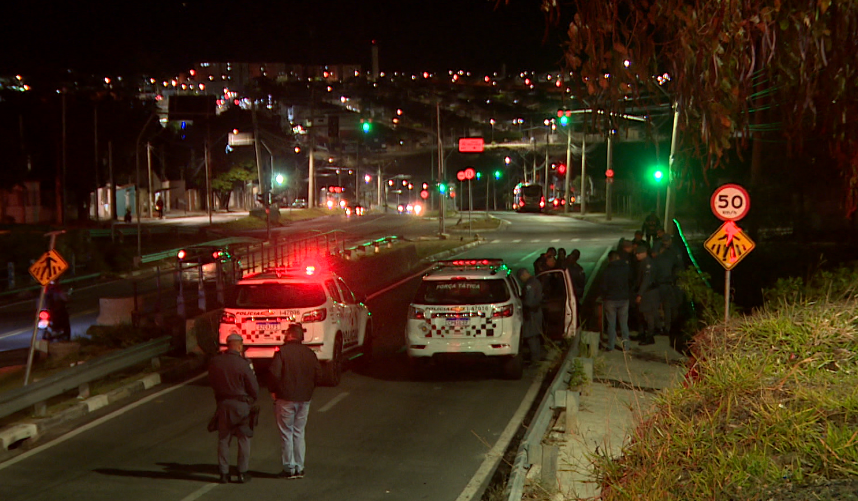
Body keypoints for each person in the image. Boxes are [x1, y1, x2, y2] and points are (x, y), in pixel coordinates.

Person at [269, 323, 322, 480]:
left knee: (287, 433)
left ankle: (289, 468)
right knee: (299, 432)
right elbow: (318, 374)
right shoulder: (310, 353)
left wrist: (274, 390)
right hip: (304, 398)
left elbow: (274, 374)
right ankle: (300, 467)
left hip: (285, 398)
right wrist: (309, 389)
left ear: (289, 335)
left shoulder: (282, 352)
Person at [208, 333, 259, 484]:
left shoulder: (216, 362)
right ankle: (242, 472)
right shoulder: (243, 364)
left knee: (224, 439)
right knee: (244, 439)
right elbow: (254, 388)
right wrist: (251, 400)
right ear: (239, 346)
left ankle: (223, 473)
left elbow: (212, 381)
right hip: (241, 406)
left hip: (223, 404)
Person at [599, 251, 631, 351]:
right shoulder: (626, 268)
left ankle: (611, 345)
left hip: (610, 299)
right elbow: (631, 281)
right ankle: (626, 345)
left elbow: (603, 286)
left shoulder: (607, 271)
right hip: (624, 299)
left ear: (610, 259)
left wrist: (603, 296)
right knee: (624, 323)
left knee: (611, 324)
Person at [517, 268, 545, 363]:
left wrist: (521, 302)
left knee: (531, 336)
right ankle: (536, 356)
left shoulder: (529, 285)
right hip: (536, 312)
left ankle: (535, 358)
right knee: (535, 336)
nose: (521, 280)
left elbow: (529, 302)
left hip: (532, 313)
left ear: (523, 275)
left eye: (521, 278)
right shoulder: (535, 281)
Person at [634, 244, 659, 346]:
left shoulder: (647, 264)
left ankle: (650, 336)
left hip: (648, 293)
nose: (637, 255)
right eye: (636, 254)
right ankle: (642, 333)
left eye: (639, 253)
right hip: (646, 292)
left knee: (648, 315)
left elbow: (646, 281)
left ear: (644, 253)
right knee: (642, 314)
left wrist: (640, 294)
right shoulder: (642, 262)